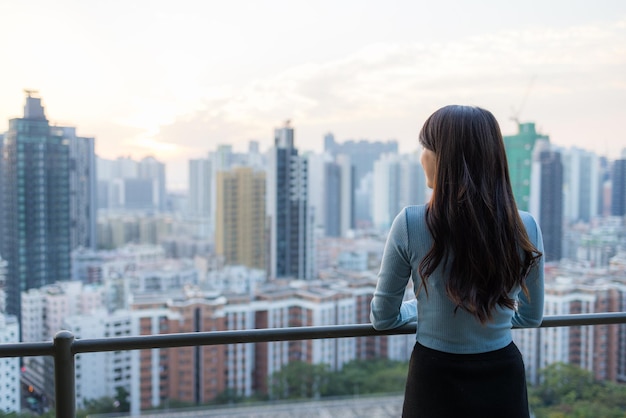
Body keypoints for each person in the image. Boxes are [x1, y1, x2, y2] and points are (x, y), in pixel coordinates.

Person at [370, 105, 544, 418]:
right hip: (502, 375)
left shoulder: (409, 223)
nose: (421, 156)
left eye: (426, 147)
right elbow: (531, 318)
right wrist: (492, 318)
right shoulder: (525, 226)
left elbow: (384, 318)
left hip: (434, 377)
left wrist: (422, 307)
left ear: (444, 158)